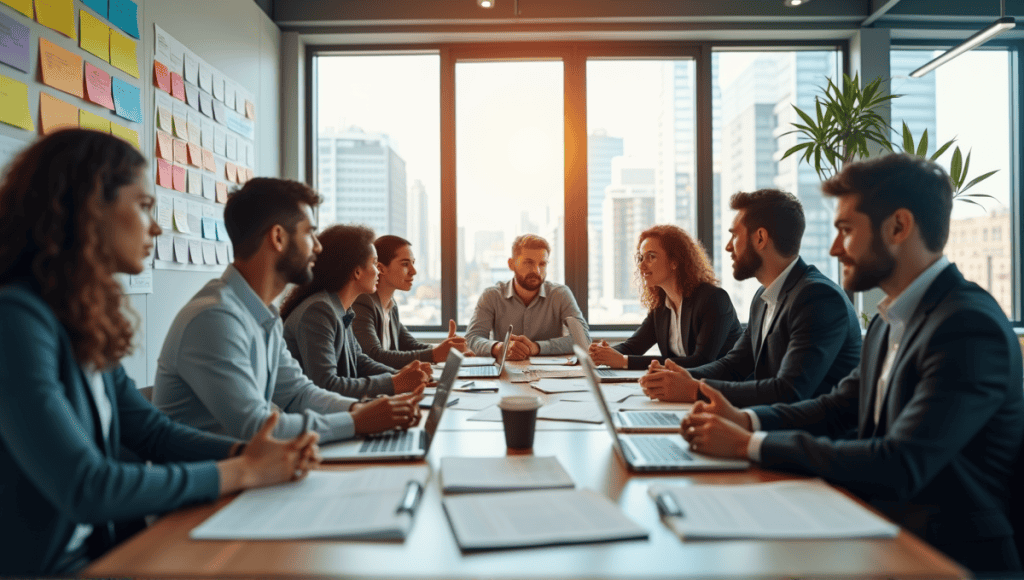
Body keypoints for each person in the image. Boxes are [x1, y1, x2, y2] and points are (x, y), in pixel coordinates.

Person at [681, 154, 1024, 575]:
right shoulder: (887, 321)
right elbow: (836, 407)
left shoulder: (967, 327)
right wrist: (747, 421)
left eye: (846, 229)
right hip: (876, 527)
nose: (833, 247)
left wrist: (747, 445)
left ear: (899, 227)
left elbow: (900, 463)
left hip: (947, 555)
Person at [0, 130, 320, 576]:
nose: (155, 226)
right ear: (89, 208)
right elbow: (86, 486)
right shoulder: (15, 320)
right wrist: (244, 471)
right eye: (144, 206)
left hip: (105, 554)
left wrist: (250, 453)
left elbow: (152, 433)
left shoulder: (81, 317)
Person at [153, 179, 421, 443]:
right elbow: (256, 427)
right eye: (309, 233)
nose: (317, 246)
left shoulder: (261, 313)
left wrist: (359, 411)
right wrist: (356, 421)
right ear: (278, 237)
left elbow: (299, 394)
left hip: (254, 472)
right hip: (217, 481)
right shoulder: (215, 318)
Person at [639, 189, 862, 408]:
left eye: (734, 235)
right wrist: (677, 376)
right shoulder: (763, 297)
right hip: (770, 424)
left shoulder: (818, 298)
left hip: (809, 437)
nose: (728, 246)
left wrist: (694, 389)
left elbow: (788, 391)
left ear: (760, 238)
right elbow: (735, 365)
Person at [281, 225, 432, 398]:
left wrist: (400, 376)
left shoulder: (341, 309)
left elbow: (360, 361)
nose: (378, 272)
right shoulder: (318, 311)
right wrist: (395, 382)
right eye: (375, 263)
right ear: (357, 271)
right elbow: (326, 385)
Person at [589, 224, 742, 370]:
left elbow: (701, 361)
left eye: (651, 257)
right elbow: (633, 347)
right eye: (641, 258)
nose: (642, 265)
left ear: (674, 262)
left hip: (723, 390)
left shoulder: (713, 299)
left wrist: (624, 361)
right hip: (684, 386)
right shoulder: (661, 307)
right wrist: (601, 354)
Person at [465, 234, 588, 361]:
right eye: (528, 263)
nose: (537, 271)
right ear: (511, 264)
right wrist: (500, 348)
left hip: (551, 376)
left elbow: (583, 339)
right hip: (506, 374)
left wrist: (537, 347)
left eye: (542, 264)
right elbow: (472, 338)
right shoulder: (492, 296)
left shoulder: (560, 295)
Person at [352, 235, 469, 366]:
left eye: (413, 263)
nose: (413, 271)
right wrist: (435, 354)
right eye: (405, 264)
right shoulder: (362, 302)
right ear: (381, 268)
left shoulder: (391, 305)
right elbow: (374, 356)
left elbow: (410, 345)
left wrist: (449, 349)